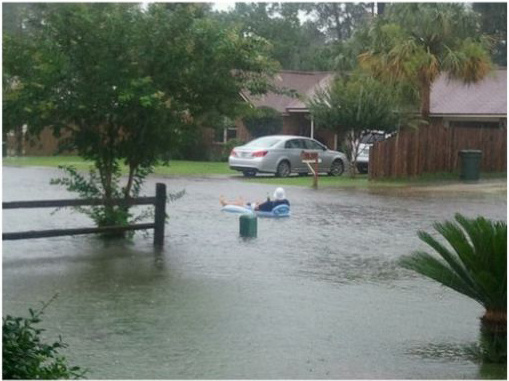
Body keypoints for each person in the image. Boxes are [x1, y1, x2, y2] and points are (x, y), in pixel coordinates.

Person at [220, 187, 290, 212]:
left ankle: (225, 203)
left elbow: (257, 208)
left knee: (243, 204)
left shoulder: (270, 204)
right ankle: (236, 201)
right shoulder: (286, 203)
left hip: (253, 208)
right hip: (267, 207)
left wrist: (259, 204)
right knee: (245, 203)